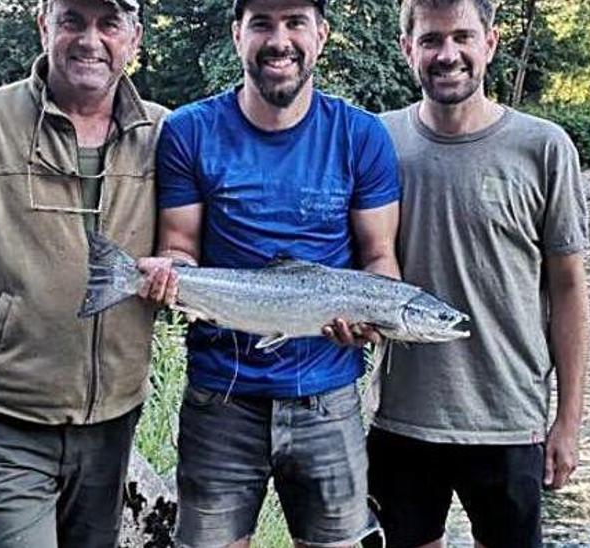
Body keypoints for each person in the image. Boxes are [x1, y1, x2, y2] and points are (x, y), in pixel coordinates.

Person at [0, 0, 168, 545]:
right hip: (1, 420)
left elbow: (197, 244)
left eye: (109, 23)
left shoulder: (166, 135)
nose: (90, 39)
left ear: (134, 38)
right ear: (44, 24)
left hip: (113, 423)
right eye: (72, 20)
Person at [137, 0, 401, 545]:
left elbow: (379, 257)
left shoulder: (361, 135)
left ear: (321, 35)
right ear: (238, 35)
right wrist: (172, 279)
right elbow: (180, 246)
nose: (278, 39)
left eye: (295, 23)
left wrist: (374, 319)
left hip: (329, 401)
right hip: (221, 398)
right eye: (262, 23)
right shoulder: (189, 130)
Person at [366, 0, 590, 546]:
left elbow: (568, 291)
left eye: (463, 37)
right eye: (431, 40)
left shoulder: (544, 147)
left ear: (489, 44)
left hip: (510, 418)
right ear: (407, 49)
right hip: (400, 418)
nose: (449, 55)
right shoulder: (375, 141)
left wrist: (569, 421)